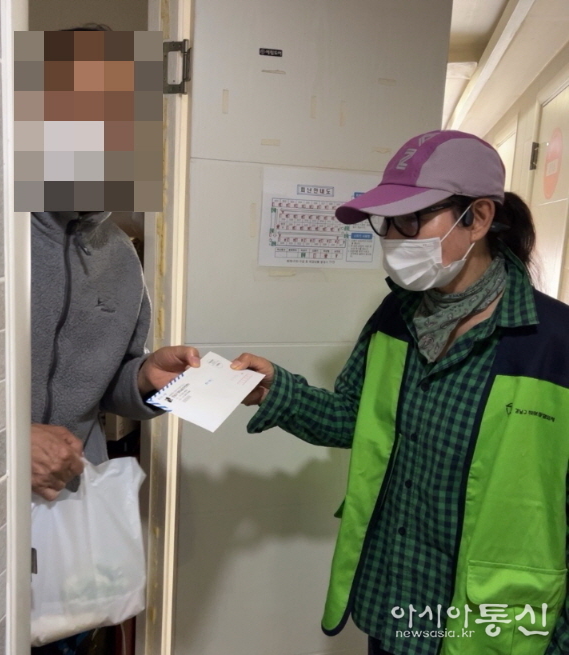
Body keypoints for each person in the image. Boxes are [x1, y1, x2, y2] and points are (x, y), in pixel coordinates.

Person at [232, 130, 569, 655]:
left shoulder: (554, 343)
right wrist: (276, 390)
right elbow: (355, 417)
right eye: (385, 221)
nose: (391, 236)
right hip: (395, 598)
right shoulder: (396, 316)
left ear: (478, 218)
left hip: (494, 624)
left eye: (410, 219)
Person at [30, 25, 199, 655]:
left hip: (72, 519)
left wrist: (147, 378)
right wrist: (10, 443)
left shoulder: (120, 256)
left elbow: (116, 383)